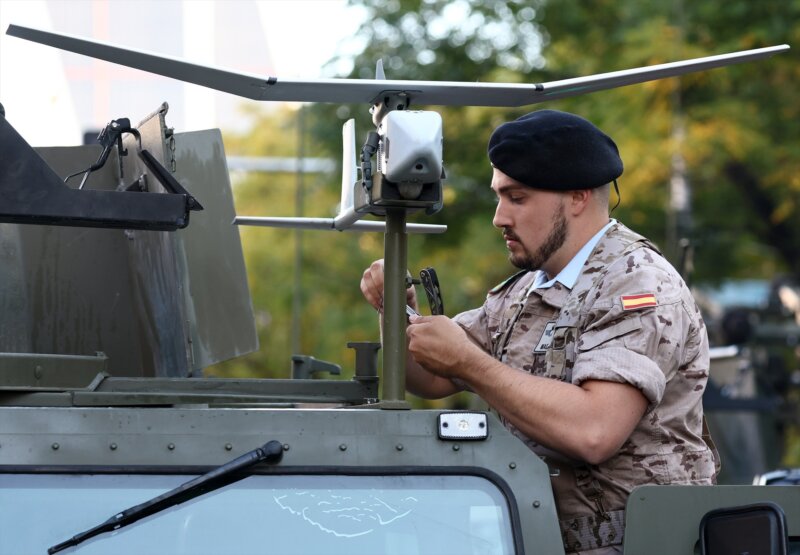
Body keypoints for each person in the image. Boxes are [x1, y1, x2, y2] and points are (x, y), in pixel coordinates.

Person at [360, 110, 719, 555]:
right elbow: (430, 377)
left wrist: (469, 362)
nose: (499, 217)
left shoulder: (636, 284)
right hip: (540, 537)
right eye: (499, 197)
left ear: (577, 197)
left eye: (517, 198)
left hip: (645, 542)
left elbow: (594, 431)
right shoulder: (528, 290)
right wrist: (396, 308)